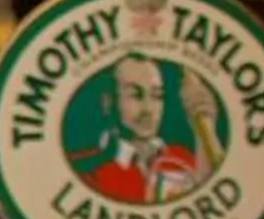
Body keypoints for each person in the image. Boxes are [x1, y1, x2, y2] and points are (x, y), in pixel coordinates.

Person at [77, 53, 206, 205]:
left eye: (157, 96)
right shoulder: (86, 169)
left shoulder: (183, 159)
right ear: (108, 102)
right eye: (135, 95)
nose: (148, 109)